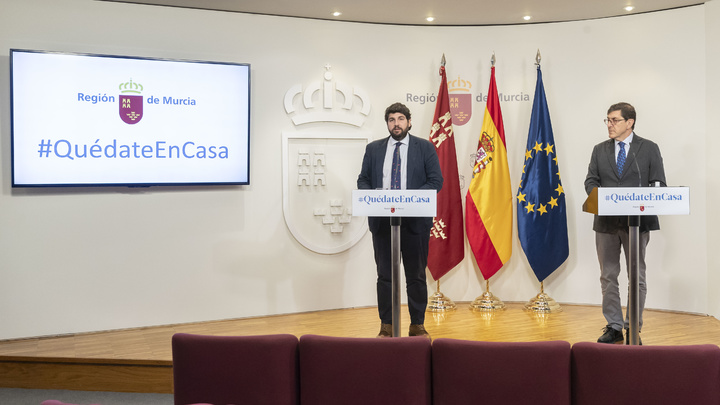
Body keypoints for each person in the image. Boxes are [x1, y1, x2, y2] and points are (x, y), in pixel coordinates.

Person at [357, 102, 443, 338]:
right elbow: (363, 180)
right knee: (385, 276)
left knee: (415, 276)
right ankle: (387, 326)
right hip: (383, 223)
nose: (396, 123)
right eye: (392, 119)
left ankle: (417, 325)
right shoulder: (374, 149)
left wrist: (410, 199)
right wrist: (376, 196)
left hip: (415, 224)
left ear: (409, 122)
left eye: (401, 119)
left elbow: (436, 181)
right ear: (387, 124)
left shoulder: (424, 148)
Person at [584, 102, 666, 344]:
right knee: (608, 275)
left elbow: (658, 182)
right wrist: (600, 197)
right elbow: (591, 181)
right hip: (606, 223)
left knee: (636, 276)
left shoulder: (649, 148)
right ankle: (614, 326)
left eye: (614, 120)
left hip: (637, 222)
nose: (609, 124)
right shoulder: (599, 150)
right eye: (607, 120)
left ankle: (633, 327)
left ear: (629, 122)